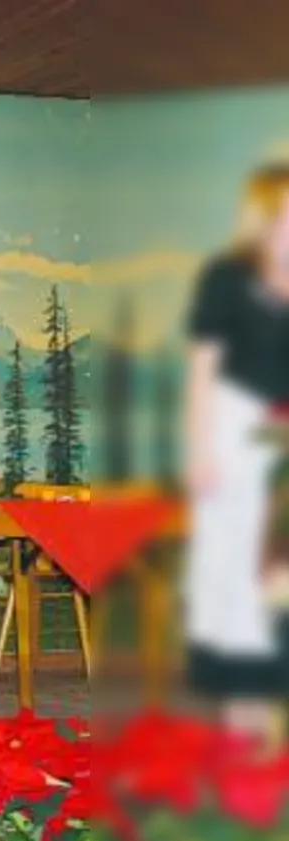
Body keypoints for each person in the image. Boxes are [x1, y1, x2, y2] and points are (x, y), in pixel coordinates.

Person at [183, 162, 289, 746]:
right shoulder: (226, 278)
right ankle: (241, 715)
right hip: (237, 440)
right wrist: (201, 449)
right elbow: (203, 368)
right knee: (238, 580)